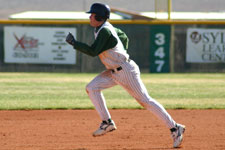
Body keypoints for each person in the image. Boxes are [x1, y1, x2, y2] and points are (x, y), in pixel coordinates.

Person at [66, 3, 185, 148]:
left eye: (92, 14)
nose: (90, 17)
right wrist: (120, 52)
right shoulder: (102, 28)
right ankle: (107, 122)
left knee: (145, 101)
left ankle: (175, 128)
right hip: (114, 71)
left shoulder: (105, 31)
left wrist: (74, 43)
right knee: (92, 87)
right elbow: (124, 37)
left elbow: (92, 51)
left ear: (99, 17)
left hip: (126, 71)